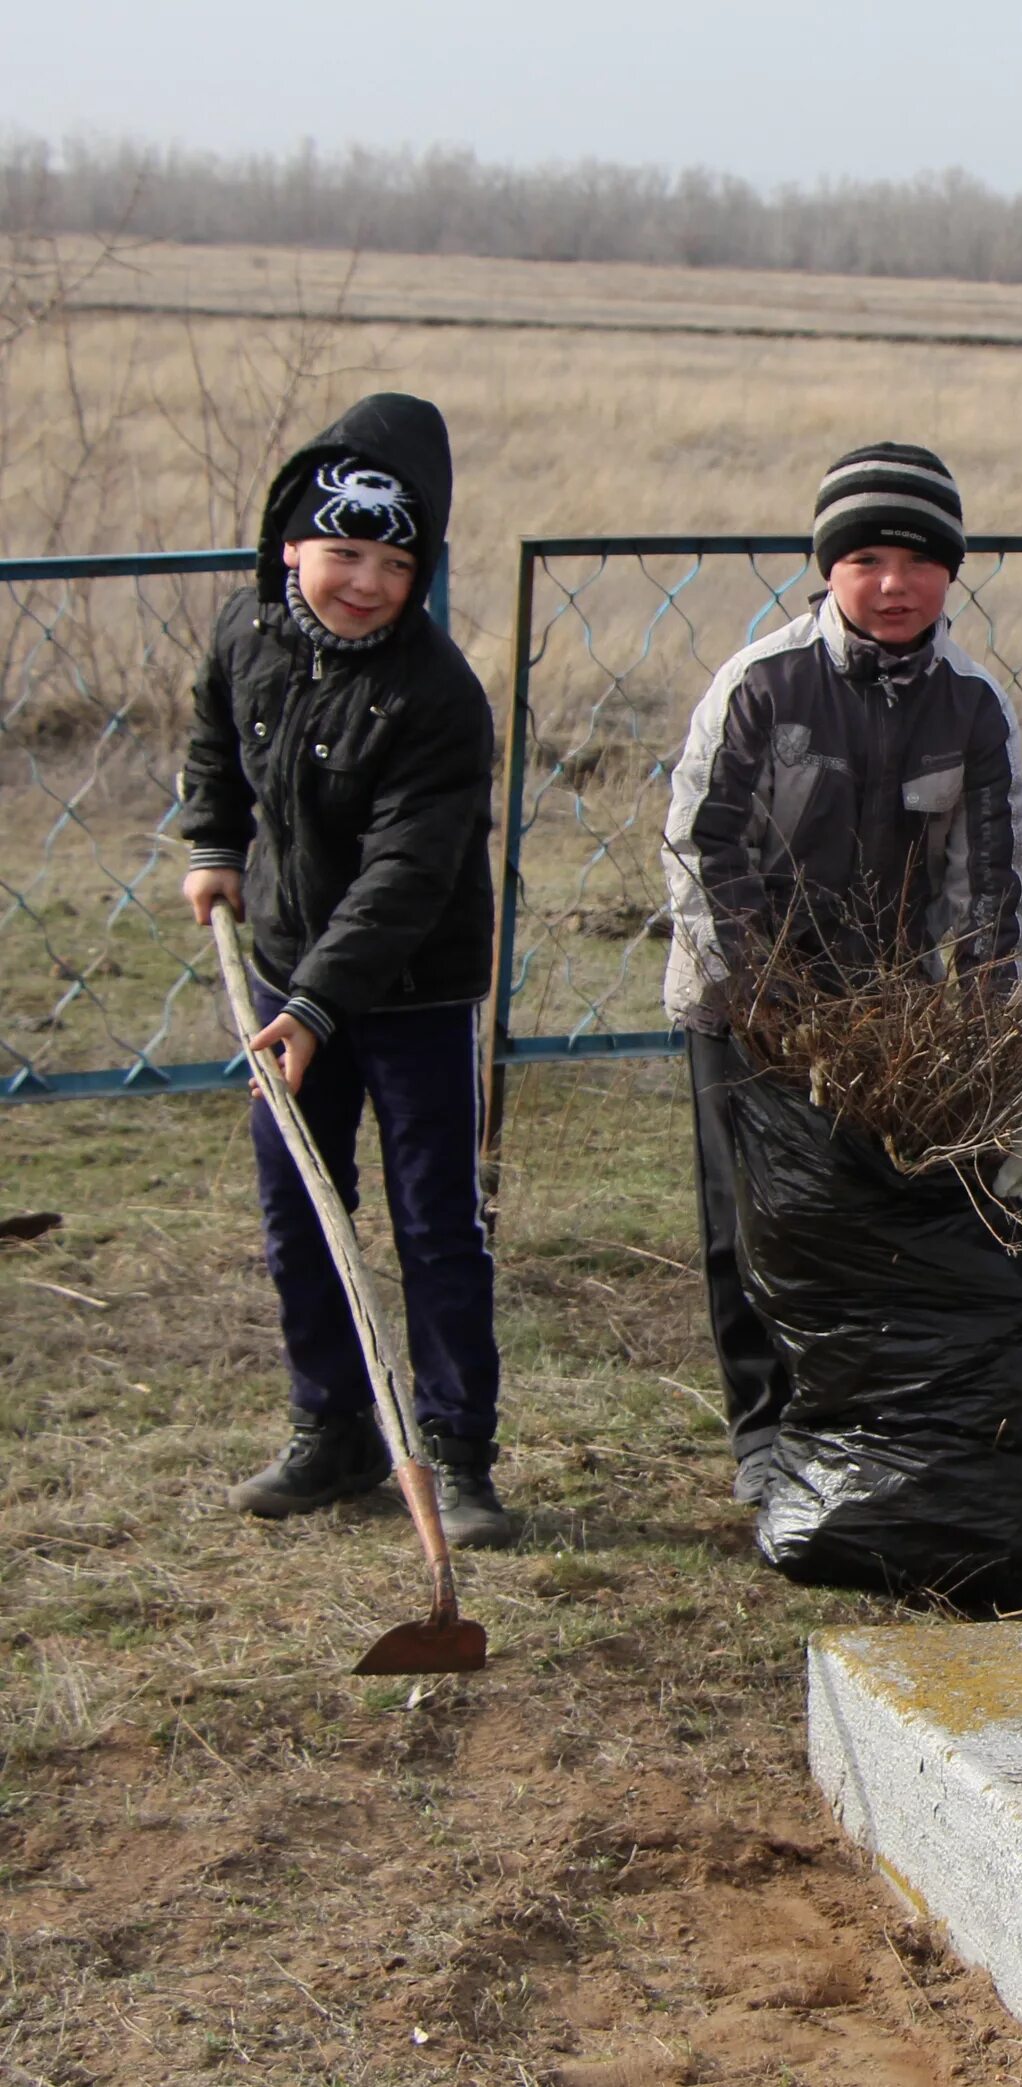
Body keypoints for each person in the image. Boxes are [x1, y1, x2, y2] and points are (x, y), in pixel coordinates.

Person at [661, 446, 1022, 1601]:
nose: (895, 584)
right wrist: (776, 1008)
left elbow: (992, 885)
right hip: (746, 1008)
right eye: (868, 560)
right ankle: (761, 1429)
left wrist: (976, 1041)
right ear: (828, 570)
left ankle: (853, 1423)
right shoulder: (764, 687)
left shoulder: (969, 706)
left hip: (887, 1015)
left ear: (951, 574)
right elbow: (706, 855)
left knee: (862, 1221)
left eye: (920, 561)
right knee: (756, 1220)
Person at [175, 392, 512, 1548]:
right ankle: (335, 1430)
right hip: (283, 971)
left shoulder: (440, 698)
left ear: (424, 571)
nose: (363, 581)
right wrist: (216, 842)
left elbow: (406, 876)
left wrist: (321, 1002)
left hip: (409, 990)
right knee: (301, 1204)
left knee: (435, 1220)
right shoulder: (246, 632)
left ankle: (457, 1450)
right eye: (343, 552)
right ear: (292, 547)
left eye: (393, 560)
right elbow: (215, 733)